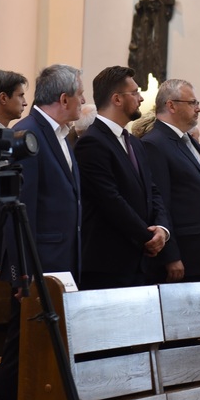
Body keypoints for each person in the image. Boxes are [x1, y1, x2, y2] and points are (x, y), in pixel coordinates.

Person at [0, 64, 84, 400]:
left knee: (47, 350)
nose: (84, 101)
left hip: (60, 261)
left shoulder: (62, 135)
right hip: (38, 264)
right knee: (22, 352)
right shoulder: (28, 134)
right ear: (63, 99)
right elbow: (19, 209)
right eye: (80, 95)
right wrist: (22, 273)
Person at [76, 66, 170, 289]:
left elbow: (152, 191)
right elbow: (110, 200)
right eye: (135, 92)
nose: (140, 98)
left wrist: (162, 230)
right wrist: (146, 237)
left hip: (141, 261)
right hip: (109, 263)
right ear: (117, 99)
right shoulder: (92, 142)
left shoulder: (134, 142)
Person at [142, 79, 200, 282]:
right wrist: (170, 256)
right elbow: (160, 203)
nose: (199, 109)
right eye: (192, 103)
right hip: (186, 254)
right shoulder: (154, 144)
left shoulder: (189, 141)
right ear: (171, 105)